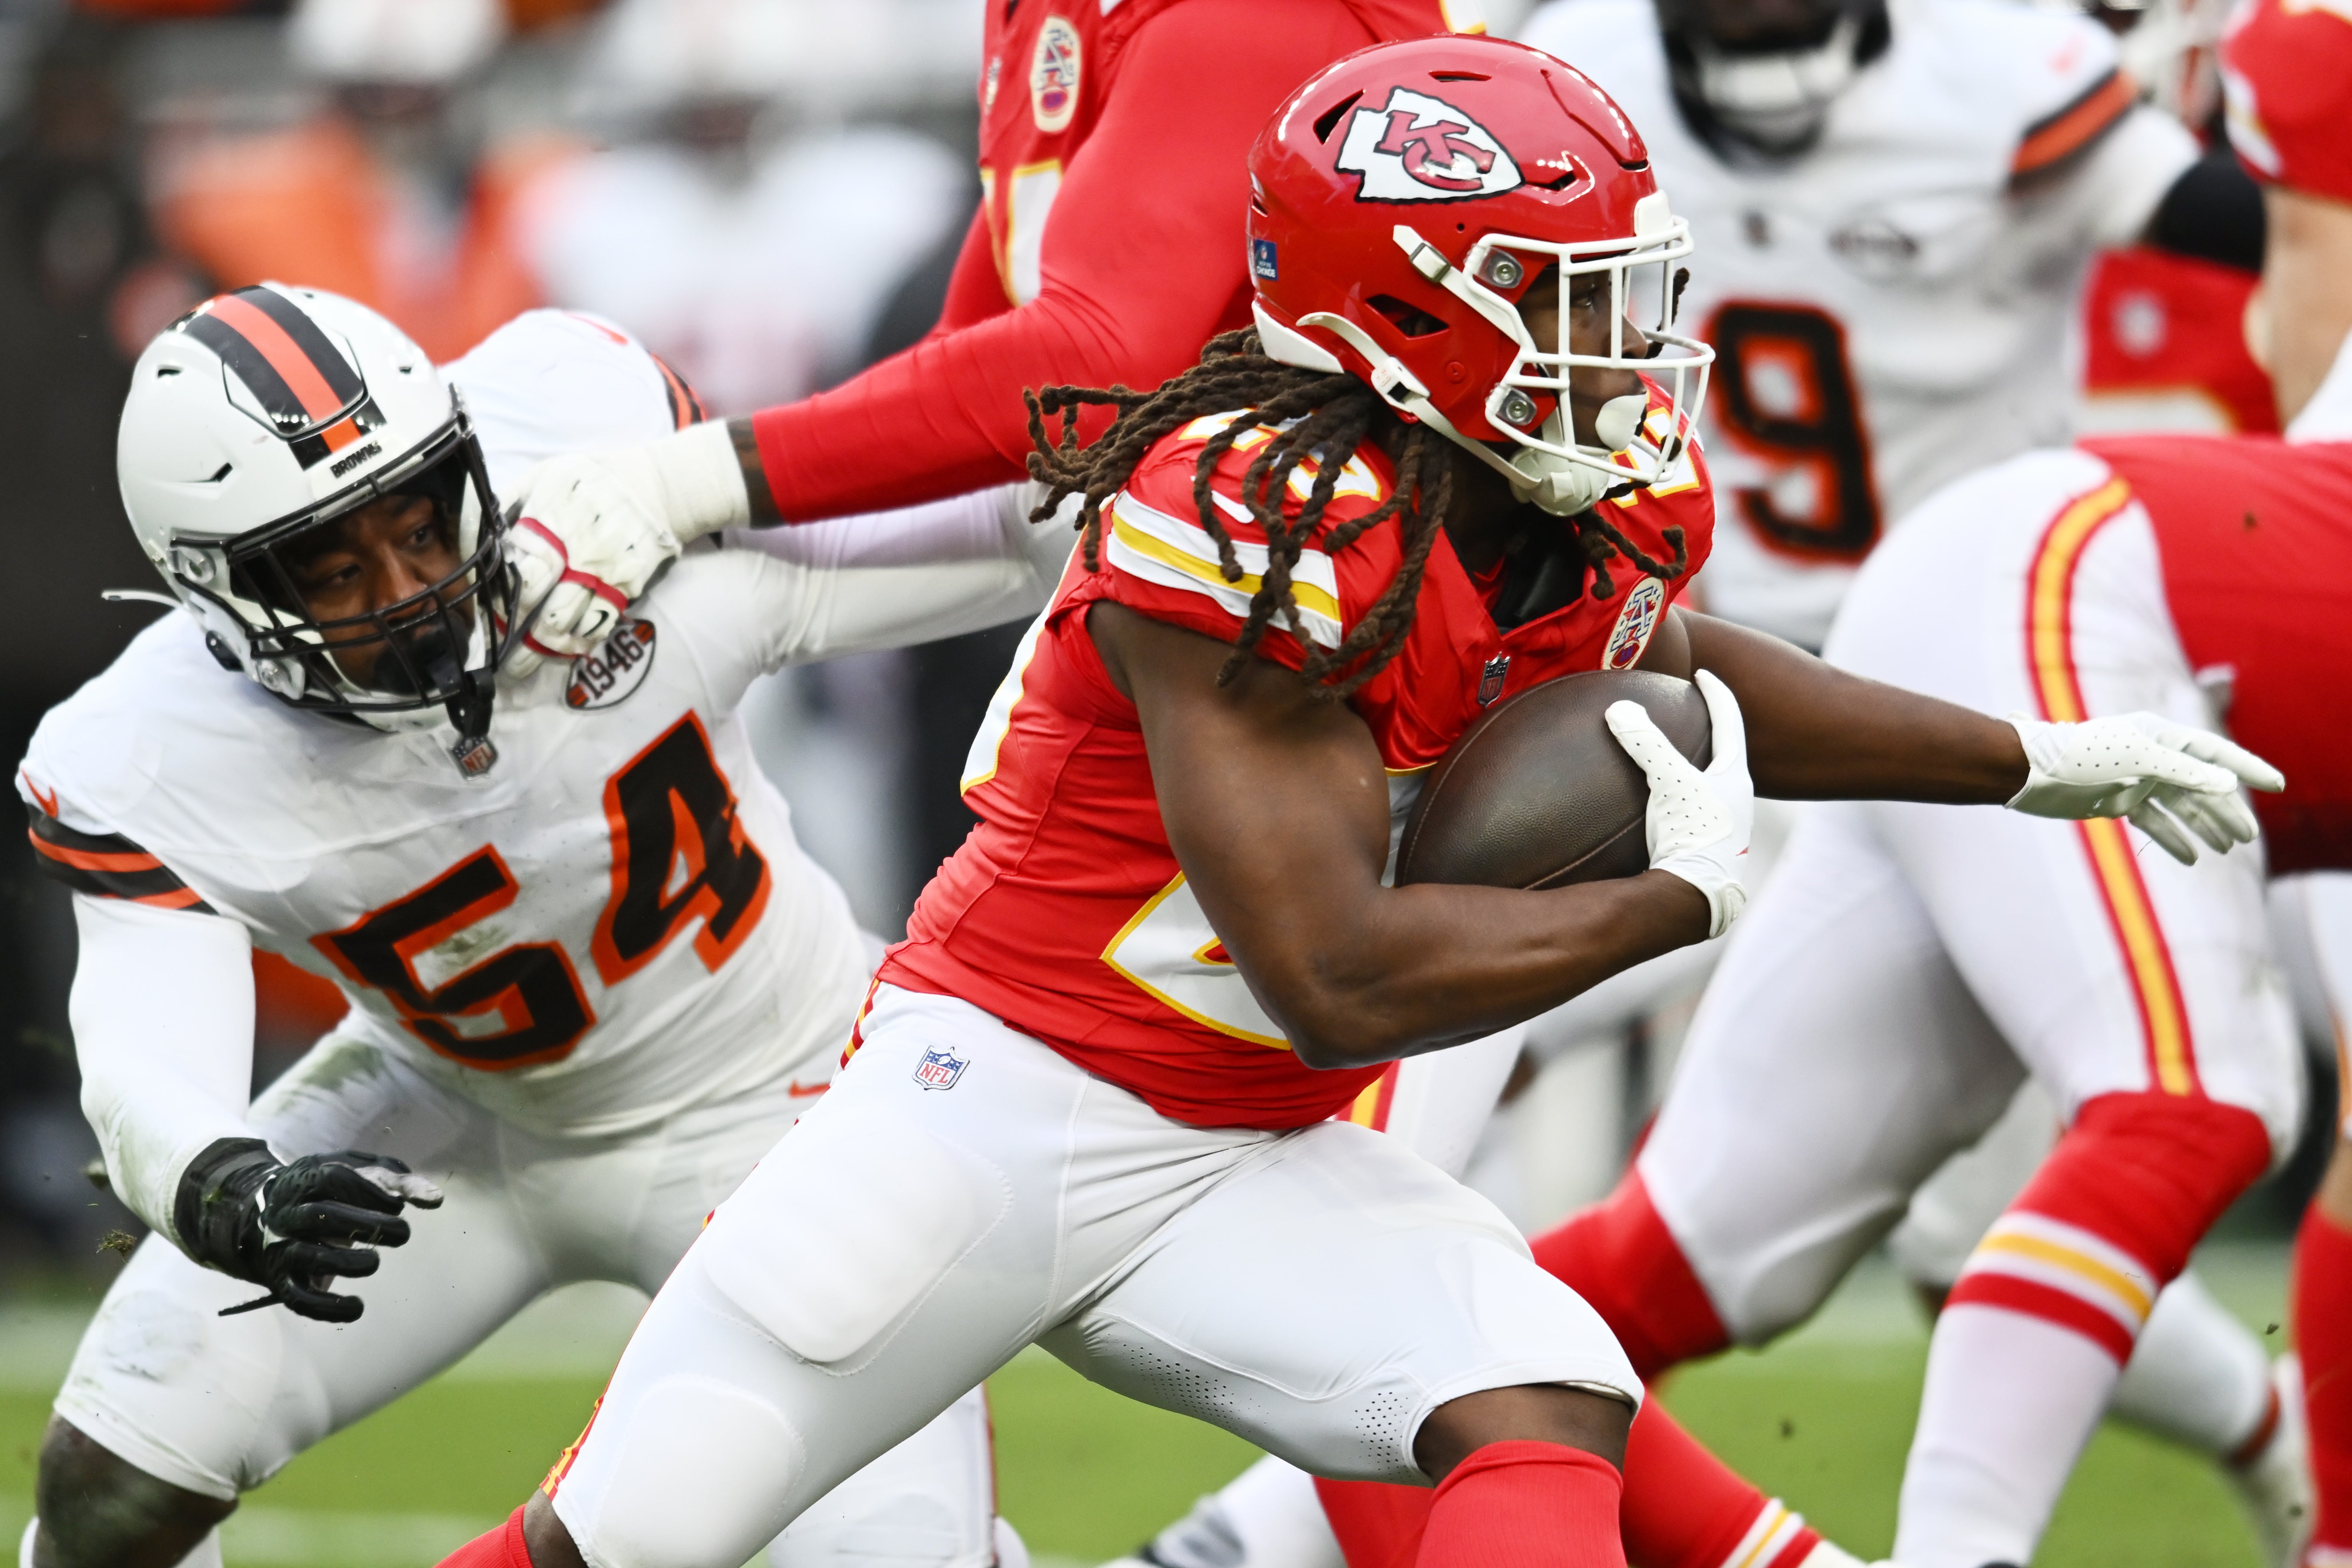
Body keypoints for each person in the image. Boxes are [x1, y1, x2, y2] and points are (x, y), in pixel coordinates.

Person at [433, 37, 2275, 1568]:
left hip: (1246, 1146)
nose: (1623, 341)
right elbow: (1334, 976)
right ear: (1400, 316)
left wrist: (2025, 759)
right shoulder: (1255, 509)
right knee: (615, 1542)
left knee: (1540, 1401)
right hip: (993, 1120)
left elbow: (1686, 662)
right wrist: (1668, 903)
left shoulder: (1532, 487)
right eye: (1562, 295)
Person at [13, 288, 1076, 1568]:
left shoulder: (591, 477)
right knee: (107, 1486)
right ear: (221, 594)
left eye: (420, 526)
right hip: (456, 1112)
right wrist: (223, 1182)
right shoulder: (154, 752)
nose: (411, 592)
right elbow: (142, 1050)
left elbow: (1016, 533)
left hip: (789, 1098)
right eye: (336, 569)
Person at [498, 0, 1478, 662]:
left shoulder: (1244, 15)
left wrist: (688, 481)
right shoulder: (1043, 14)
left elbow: (1092, 374)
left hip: (1387, 586)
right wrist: (676, 532)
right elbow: (974, 388)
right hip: (1189, 562)